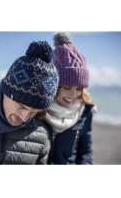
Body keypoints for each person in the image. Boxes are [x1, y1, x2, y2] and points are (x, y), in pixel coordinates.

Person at [40, 32, 95, 164]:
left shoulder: (84, 113)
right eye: (67, 87)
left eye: (79, 88)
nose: (74, 94)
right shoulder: (35, 110)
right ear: (53, 86)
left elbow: (85, 152)